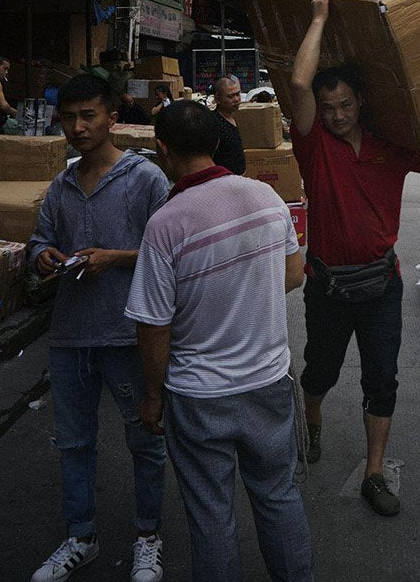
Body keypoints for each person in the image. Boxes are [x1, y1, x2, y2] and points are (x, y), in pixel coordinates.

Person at [290, 0, 420, 516]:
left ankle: (374, 472)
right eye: (328, 108)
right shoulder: (314, 145)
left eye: (345, 105)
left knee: (382, 380)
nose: (336, 115)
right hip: (329, 286)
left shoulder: (390, 146)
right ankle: (312, 420)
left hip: (380, 284)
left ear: (361, 103)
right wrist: (318, 18)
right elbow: (298, 83)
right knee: (320, 372)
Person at [127, 101, 313, 582]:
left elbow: (153, 325)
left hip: (199, 395)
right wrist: (248, 294)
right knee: (278, 496)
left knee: (211, 515)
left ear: (162, 149)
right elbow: (294, 274)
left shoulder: (166, 223)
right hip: (267, 381)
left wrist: (152, 397)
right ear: (215, 142)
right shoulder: (266, 197)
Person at [29, 74, 171, 582]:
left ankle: (148, 536)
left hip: (128, 334)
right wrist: (43, 255)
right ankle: (80, 536)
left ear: (112, 117)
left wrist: (115, 257)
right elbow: (40, 238)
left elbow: (169, 250)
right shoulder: (62, 184)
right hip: (70, 335)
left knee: (145, 440)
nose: (78, 127)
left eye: (88, 115)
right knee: (73, 443)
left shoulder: (145, 179)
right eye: (68, 118)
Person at [211, 76, 246, 175]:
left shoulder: (231, 118)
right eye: (230, 96)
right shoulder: (214, 123)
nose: (236, 99)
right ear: (217, 99)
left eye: (238, 94)